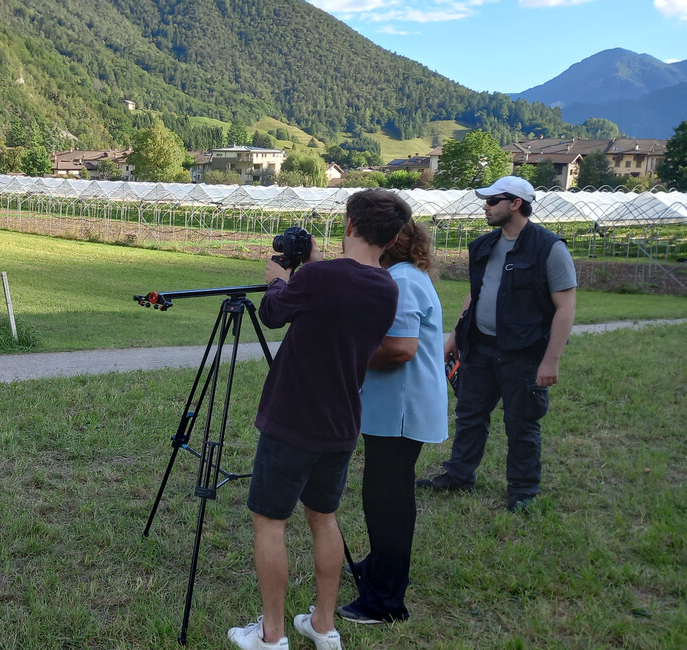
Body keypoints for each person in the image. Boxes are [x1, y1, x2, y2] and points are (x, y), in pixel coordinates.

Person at [227, 189, 408, 650]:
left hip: (293, 419)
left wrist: (278, 279)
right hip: (342, 423)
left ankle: (271, 636)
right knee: (324, 518)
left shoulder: (321, 277)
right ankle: (324, 626)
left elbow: (272, 313)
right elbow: (342, 292)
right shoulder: (387, 288)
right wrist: (310, 268)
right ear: (390, 238)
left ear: (349, 225)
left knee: (270, 521)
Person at [417, 175, 576, 512]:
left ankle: (523, 490)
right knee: (470, 415)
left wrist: (551, 360)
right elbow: (475, 295)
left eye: (492, 201)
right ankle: (459, 475)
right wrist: (456, 336)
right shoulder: (484, 245)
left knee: (521, 423)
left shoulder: (549, 248)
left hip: (523, 354)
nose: (485, 207)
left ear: (515, 204)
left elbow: (565, 307)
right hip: (480, 348)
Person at [338, 220, 447, 626]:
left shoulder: (401, 281)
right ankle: (381, 566)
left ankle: (384, 600)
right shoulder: (403, 276)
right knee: (389, 498)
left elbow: (400, 349)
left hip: (401, 411)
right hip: (397, 410)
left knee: (387, 503)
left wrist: (347, 355)